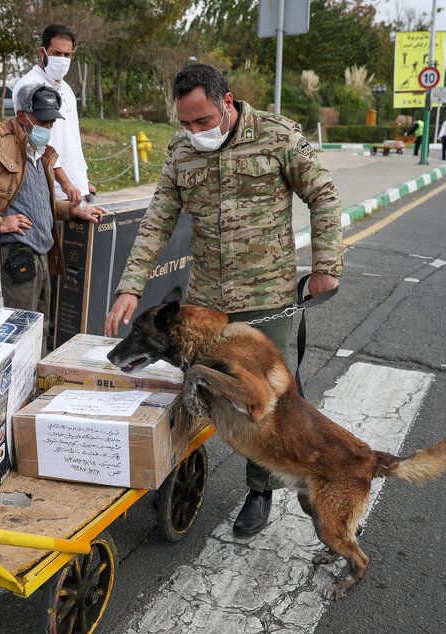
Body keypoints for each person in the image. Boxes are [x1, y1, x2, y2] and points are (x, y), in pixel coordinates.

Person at [104, 63, 343, 537]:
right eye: (186, 124)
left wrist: (326, 265)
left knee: (269, 404)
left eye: (203, 121)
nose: (194, 132)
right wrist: (130, 286)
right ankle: (185, 470)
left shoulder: (277, 137)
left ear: (227, 103)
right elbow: (157, 222)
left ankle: (261, 489)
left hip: (265, 296)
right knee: (201, 389)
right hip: (205, 304)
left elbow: (325, 195)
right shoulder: (180, 152)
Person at [0, 84, 107, 353]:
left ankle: (36, 393)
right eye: (42, 120)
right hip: (18, 255)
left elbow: (37, 203)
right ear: (22, 116)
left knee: (40, 332)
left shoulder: (39, 150)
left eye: (52, 121)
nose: (48, 125)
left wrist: (72, 210)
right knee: (19, 338)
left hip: (42, 254)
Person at [13, 24, 96, 207]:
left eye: (67, 55)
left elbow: (71, 138)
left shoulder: (65, 88)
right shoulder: (29, 86)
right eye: (57, 53)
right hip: (50, 189)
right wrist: (65, 182)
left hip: (75, 190)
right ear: (42, 52)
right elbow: (35, 142)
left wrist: (82, 182)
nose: (63, 59)